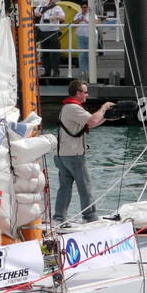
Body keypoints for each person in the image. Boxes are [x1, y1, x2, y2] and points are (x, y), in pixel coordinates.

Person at [54, 79, 113, 223]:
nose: (87, 95)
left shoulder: (68, 107)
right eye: (85, 92)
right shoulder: (73, 108)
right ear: (78, 93)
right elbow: (92, 121)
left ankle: (59, 218)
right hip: (74, 156)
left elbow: (91, 123)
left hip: (63, 155)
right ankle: (90, 217)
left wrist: (110, 116)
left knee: (65, 188)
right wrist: (104, 108)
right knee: (85, 187)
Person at [38, 0, 66, 78]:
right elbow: (34, 14)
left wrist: (55, 17)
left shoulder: (57, 8)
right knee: (45, 53)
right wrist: (37, 14)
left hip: (53, 32)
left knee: (55, 53)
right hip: (43, 32)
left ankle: (56, 72)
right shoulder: (40, 6)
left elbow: (63, 18)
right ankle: (47, 72)